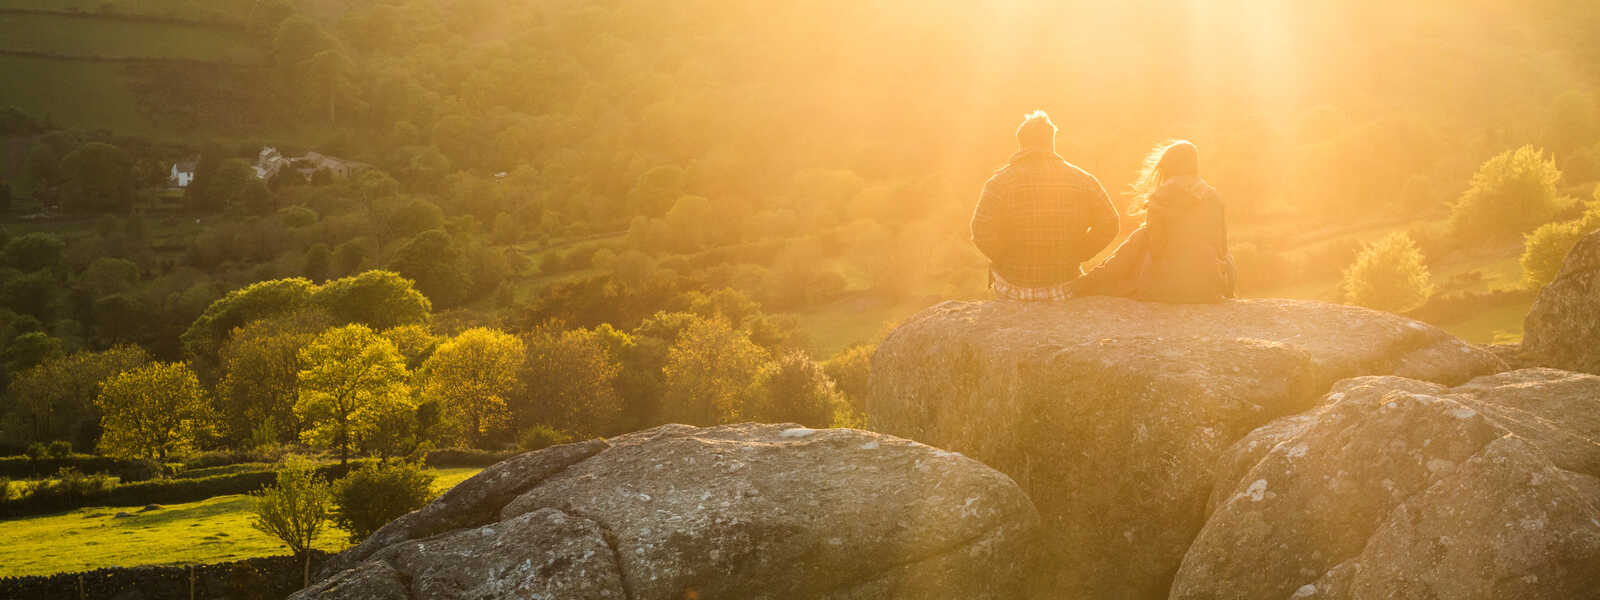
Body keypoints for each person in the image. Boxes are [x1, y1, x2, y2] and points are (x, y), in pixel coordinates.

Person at [970, 111, 1120, 301]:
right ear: (1052, 142)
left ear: (1021, 143)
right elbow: (1111, 222)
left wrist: (1006, 258)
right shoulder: (1083, 180)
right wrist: (1078, 253)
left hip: (1013, 286)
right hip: (1065, 284)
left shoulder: (999, 182)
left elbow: (980, 230)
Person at [1071, 140, 1235, 303]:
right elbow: (1222, 249)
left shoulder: (1162, 197)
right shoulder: (1213, 197)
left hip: (1163, 289)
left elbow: (1157, 249)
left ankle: (1078, 285)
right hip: (1207, 288)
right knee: (1143, 237)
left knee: (1140, 238)